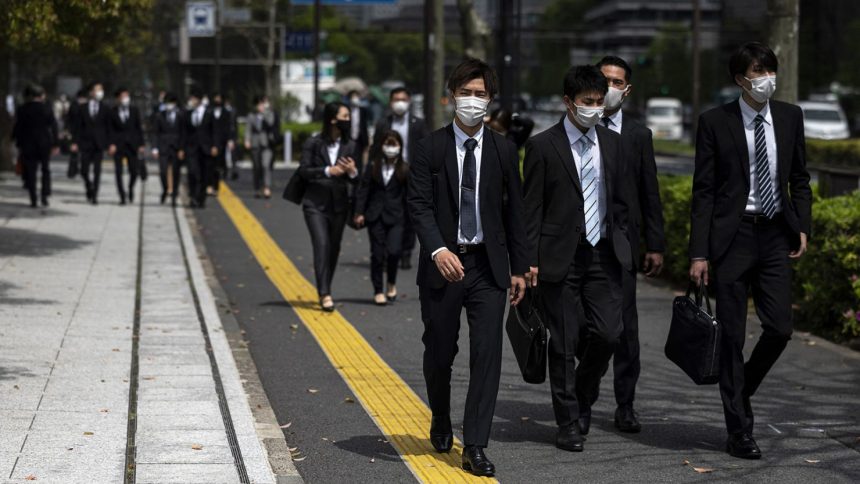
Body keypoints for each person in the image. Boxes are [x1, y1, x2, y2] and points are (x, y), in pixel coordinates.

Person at [688, 42, 811, 460]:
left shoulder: (791, 117)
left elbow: (800, 177)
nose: (766, 78)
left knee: (780, 328)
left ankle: (742, 393)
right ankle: (740, 429)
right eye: (757, 72)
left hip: (776, 233)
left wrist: (803, 227)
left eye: (770, 69)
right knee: (732, 337)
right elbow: (702, 192)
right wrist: (698, 253)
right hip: (732, 237)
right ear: (740, 79)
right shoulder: (715, 122)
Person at [407, 58, 529, 477]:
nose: (473, 101)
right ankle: (440, 415)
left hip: (488, 268)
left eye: (480, 94)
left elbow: (516, 213)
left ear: (491, 101)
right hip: (443, 264)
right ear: (451, 96)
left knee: (487, 355)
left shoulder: (504, 149)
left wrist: (520, 266)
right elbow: (419, 205)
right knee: (440, 352)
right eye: (466, 93)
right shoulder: (429, 148)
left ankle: (475, 443)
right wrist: (438, 250)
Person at [522, 65, 631, 453]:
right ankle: (568, 421)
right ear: (568, 103)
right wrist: (527, 261)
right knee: (564, 343)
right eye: (587, 102)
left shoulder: (615, 145)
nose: (595, 109)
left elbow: (623, 202)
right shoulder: (542, 146)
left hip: (604, 254)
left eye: (600, 102)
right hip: (558, 258)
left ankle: (584, 393)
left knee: (608, 334)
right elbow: (530, 208)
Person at [594, 55, 666, 433]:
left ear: (627, 89)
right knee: (586, 328)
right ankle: (583, 395)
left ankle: (625, 403)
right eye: (603, 80)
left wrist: (655, 243)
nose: (609, 88)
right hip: (582, 242)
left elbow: (649, 191)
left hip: (622, 244)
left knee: (626, 329)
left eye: (616, 82)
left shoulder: (639, 135)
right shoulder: (575, 127)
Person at [297, 102, 360, 311]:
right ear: (333, 119)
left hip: (339, 205)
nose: (348, 120)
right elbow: (304, 170)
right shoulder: (314, 143)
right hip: (315, 203)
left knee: (333, 248)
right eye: (344, 116)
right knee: (321, 245)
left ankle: (326, 287)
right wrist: (327, 171)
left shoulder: (351, 145)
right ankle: (324, 293)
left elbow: (358, 179)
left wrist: (352, 172)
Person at [372, 87, 430, 270]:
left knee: (410, 214)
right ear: (390, 102)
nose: (400, 103)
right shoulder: (383, 123)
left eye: (403, 99)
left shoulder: (418, 123)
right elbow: (375, 147)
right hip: (389, 172)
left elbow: (425, 148)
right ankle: (389, 250)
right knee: (389, 210)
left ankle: (406, 252)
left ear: (409, 101)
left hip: (411, 173)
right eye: (396, 99)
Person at [354, 130, 409, 305]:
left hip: (397, 217)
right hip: (375, 216)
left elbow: (411, 196)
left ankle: (391, 282)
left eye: (394, 145)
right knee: (377, 254)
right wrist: (359, 212)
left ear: (400, 147)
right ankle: (378, 290)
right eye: (388, 144)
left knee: (393, 252)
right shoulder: (372, 166)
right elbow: (364, 190)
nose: (391, 148)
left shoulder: (405, 169)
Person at [12, 84, 58, 208]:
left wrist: (16, 140)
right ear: (41, 95)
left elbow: (18, 127)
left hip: (28, 144)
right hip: (44, 143)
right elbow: (54, 127)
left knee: (31, 172)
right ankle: (44, 195)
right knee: (45, 169)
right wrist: (56, 143)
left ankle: (33, 198)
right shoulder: (47, 108)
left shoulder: (22, 109)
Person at [71, 81, 110, 204]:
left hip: (99, 144)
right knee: (84, 170)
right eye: (98, 89)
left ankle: (95, 195)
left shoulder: (105, 108)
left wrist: (109, 143)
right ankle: (89, 185)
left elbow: (108, 128)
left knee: (97, 170)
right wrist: (74, 142)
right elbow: (77, 127)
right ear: (91, 92)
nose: (100, 92)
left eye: (101, 89)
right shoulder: (82, 108)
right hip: (85, 142)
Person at [107, 87, 145, 205]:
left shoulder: (134, 110)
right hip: (118, 145)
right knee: (118, 172)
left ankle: (130, 188)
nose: (125, 99)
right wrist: (111, 144)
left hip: (132, 145)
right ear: (118, 98)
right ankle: (122, 196)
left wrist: (141, 144)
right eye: (123, 96)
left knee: (134, 171)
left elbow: (138, 128)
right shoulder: (112, 112)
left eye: (127, 96)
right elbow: (109, 129)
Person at [152, 92, 185, 206]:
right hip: (163, 147)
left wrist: (182, 148)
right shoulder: (159, 115)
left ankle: (174, 194)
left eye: (171, 102)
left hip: (176, 148)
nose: (169, 105)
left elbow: (183, 133)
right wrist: (155, 148)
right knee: (163, 171)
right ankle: (165, 189)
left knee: (176, 172)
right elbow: (155, 133)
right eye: (167, 103)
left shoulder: (181, 115)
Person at [182, 89, 214, 208]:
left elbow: (214, 131)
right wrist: (182, 148)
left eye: (193, 99)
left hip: (205, 148)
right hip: (191, 148)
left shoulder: (209, 113)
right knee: (192, 172)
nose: (191, 101)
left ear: (199, 100)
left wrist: (214, 146)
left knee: (204, 174)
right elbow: (184, 132)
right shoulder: (188, 114)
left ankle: (201, 198)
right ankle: (193, 197)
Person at [244, 95, 280, 199]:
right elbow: (248, 129)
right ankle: (257, 188)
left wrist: (264, 113)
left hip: (267, 143)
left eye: (262, 103)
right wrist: (247, 140)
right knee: (256, 167)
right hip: (255, 143)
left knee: (266, 165)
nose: (260, 106)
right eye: (258, 104)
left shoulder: (269, 114)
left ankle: (267, 187)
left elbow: (271, 123)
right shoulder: (251, 116)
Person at [207, 92, 235, 195]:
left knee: (218, 166)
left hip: (221, 143)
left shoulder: (226, 113)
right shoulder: (209, 111)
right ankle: (209, 185)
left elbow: (229, 127)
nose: (217, 100)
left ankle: (216, 186)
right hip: (209, 142)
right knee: (209, 165)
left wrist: (230, 140)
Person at [346, 90, 370, 160]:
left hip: (360, 137)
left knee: (359, 157)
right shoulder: (347, 109)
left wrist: (366, 141)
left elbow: (364, 125)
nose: (355, 98)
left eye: (357, 96)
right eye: (353, 97)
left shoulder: (363, 110)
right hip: (349, 137)